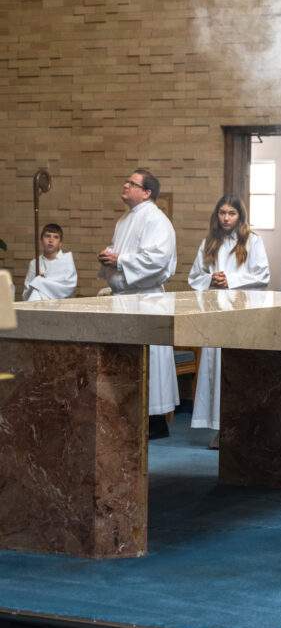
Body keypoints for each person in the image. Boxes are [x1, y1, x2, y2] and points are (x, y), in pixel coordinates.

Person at [98, 168, 178, 439]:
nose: (125, 185)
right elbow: (122, 251)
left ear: (147, 192)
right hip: (125, 299)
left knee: (149, 360)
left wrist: (119, 260)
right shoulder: (124, 220)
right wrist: (109, 256)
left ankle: (153, 421)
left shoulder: (156, 219)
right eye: (126, 181)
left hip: (146, 299)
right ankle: (130, 417)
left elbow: (158, 259)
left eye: (132, 183)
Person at [189, 195, 270, 440]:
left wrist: (231, 280)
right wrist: (211, 279)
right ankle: (218, 428)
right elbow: (194, 277)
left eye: (231, 213)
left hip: (241, 311)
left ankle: (241, 428)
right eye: (222, 213)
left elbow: (263, 275)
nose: (226, 218)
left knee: (238, 368)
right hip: (216, 311)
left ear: (240, 216)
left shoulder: (253, 241)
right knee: (215, 369)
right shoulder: (208, 243)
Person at [22, 223, 77, 301]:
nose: (51, 240)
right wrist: (35, 283)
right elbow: (25, 295)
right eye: (47, 236)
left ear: (60, 243)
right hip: (37, 305)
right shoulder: (34, 263)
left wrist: (43, 283)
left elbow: (69, 288)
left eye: (56, 237)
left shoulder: (66, 261)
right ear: (41, 240)